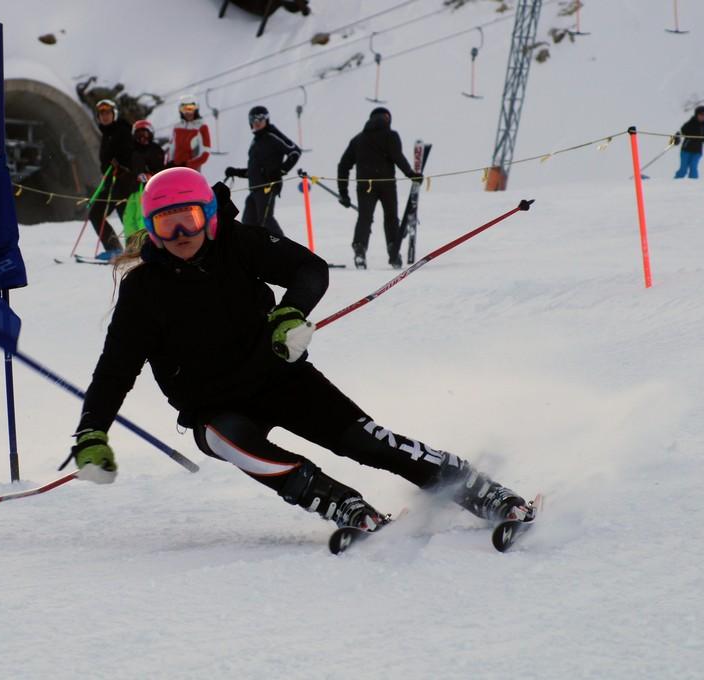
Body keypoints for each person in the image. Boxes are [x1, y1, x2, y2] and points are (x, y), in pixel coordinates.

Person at [57, 166, 534, 536]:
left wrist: (290, 314)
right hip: (212, 409)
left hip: (279, 377)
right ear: (151, 229)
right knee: (237, 445)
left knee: (367, 442)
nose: (181, 235)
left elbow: (310, 269)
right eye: (167, 224)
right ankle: (337, 500)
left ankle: (474, 488)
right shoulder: (143, 291)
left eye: (191, 220)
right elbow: (115, 369)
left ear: (210, 215)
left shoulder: (238, 243)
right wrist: (91, 433)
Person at [337, 107, 422, 270]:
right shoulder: (391, 136)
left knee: (365, 217)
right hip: (387, 184)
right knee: (391, 217)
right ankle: (393, 250)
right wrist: (412, 174)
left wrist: (344, 193)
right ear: (387, 118)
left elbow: (343, 166)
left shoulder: (358, 140)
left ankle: (360, 251)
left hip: (365, 185)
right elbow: (398, 157)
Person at [224, 105, 301, 237]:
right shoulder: (256, 140)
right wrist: (235, 172)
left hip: (268, 187)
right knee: (248, 223)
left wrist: (281, 171)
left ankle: (285, 251)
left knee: (265, 221)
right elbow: (254, 171)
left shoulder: (272, 134)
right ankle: (255, 254)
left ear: (267, 120)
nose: (257, 123)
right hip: (255, 189)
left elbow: (295, 151)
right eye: (254, 120)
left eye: (261, 119)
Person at [89, 99, 135, 260]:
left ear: (114, 114)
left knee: (125, 214)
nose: (105, 116)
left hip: (124, 181)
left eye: (108, 113)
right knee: (96, 213)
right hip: (111, 181)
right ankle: (116, 248)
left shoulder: (123, 130)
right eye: (102, 113)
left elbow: (131, 155)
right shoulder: (106, 133)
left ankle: (134, 249)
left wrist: (121, 165)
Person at [121, 119, 166, 242]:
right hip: (134, 189)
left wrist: (149, 175)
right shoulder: (132, 151)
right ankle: (131, 246)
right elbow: (130, 169)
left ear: (150, 134)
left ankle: (145, 246)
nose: (142, 138)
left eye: (144, 134)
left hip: (148, 190)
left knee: (141, 218)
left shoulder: (155, 150)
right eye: (138, 134)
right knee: (128, 218)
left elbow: (161, 170)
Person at [673, 105, 704, 180]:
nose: (703, 117)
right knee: (683, 170)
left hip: (697, 151)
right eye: (701, 115)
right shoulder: (690, 124)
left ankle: (694, 187)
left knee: (693, 168)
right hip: (686, 150)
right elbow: (681, 133)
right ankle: (675, 183)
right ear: (696, 115)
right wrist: (677, 138)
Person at [167, 95, 212, 172]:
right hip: (175, 169)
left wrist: (187, 164)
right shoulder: (177, 127)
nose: (188, 112)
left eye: (190, 108)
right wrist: (169, 163)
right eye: (184, 109)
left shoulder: (201, 127)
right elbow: (171, 148)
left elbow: (205, 153)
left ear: (196, 108)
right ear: (180, 110)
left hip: (191, 171)